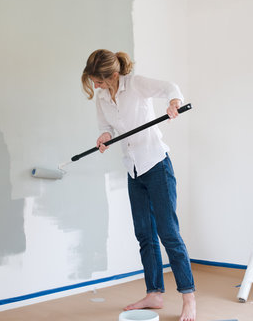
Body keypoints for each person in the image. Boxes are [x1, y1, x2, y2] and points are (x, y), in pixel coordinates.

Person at [81, 49, 196, 321]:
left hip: (156, 164)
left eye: (99, 80)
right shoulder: (102, 97)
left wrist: (173, 103)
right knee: (145, 234)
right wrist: (105, 137)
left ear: (112, 75)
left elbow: (170, 88)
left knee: (168, 233)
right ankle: (154, 293)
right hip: (133, 169)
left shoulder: (135, 84)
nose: (96, 85)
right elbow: (107, 127)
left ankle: (188, 298)